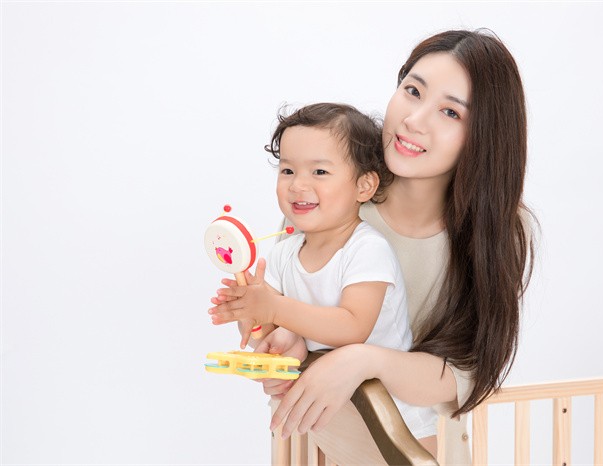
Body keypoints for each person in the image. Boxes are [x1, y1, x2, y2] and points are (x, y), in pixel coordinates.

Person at [212, 29, 534, 463]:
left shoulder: (498, 231)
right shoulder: (329, 191)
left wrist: (365, 361)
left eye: (450, 112)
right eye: (413, 91)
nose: (414, 120)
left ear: (485, 134)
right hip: (315, 442)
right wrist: (281, 343)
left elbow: (463, 374)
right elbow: (284, 308)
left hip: (411, 448)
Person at [210, 102, 439, 441]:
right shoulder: (284, 253)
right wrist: (249, 312)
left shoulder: (367, 249)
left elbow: (352, 327)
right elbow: (267, 332)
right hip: (335, 418)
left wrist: (273, 307)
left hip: (400, 424)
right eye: (288, 170)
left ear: (364, 186)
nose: (297, 185)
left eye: (319, 172)